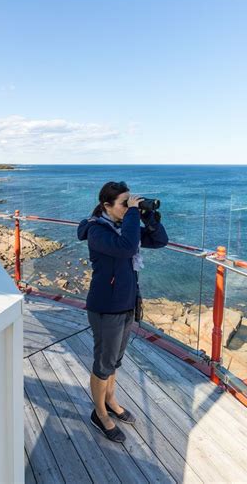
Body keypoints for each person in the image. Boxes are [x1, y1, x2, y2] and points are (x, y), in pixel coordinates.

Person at [77, 180, 168, 443]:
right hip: (106, 308)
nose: (129, 208)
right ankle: (99, 413)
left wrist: (148, 216)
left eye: (130, 202)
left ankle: (112, 402)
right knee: (103, 365)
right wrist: (132, 214)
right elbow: (128, 247)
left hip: (126, 304)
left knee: (114, 361)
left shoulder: (121, 228)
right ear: (107, 206)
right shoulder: (97, 232)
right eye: (123, 203)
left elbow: (160, 240)